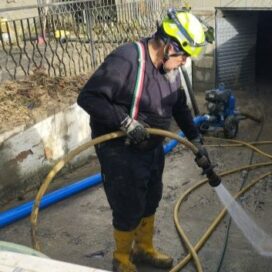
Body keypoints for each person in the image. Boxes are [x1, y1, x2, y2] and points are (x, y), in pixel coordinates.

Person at [77, 8, 212, 272]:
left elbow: (179, 107)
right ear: (168, 46)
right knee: (128, 205)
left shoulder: (170, 70)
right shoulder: (127, 60)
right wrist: (125, 122)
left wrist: (196, 140)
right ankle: (121, 258)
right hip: (121, 149)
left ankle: (144, 250)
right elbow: (88, 97)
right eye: (183, 54)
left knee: (151, 197)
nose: (184, 61)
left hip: (151, 145)